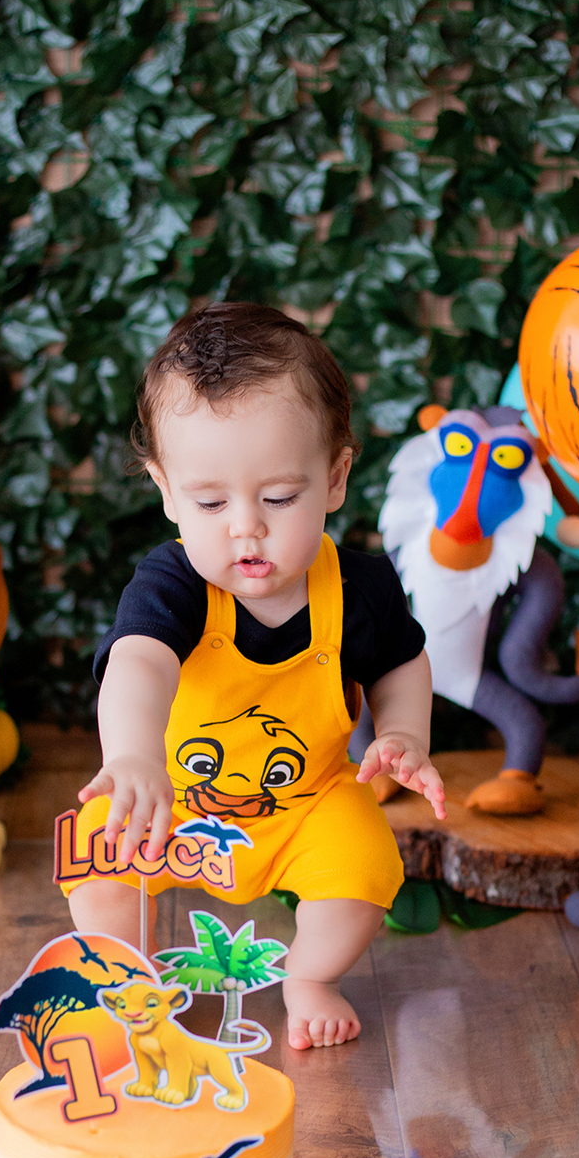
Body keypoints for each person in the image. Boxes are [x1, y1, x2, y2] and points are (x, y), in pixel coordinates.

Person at [64, 303, 446, 1050]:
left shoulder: (358, 589)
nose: (246, 525)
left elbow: (402, 661)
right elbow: (137, 661)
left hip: (307, 803)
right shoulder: (173, 585)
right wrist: (134, 758)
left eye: (278, 498)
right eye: (210, 502)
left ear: (334, 479)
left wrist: (403, 730)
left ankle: (309, 974)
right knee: (98, 857)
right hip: (172, 801)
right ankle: (126, 973)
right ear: (166, 491)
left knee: (366, 860)